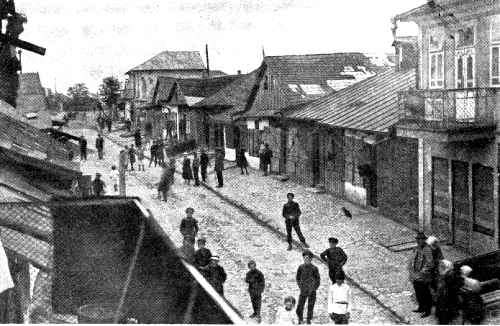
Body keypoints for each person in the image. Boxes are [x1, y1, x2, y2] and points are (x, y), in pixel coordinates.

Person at [408, 232, 434, 318]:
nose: (419, 241)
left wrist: (422, 273)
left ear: (424, 240)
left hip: (424, 276)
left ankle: (427, 310)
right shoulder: (416, 248)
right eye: (418, 239)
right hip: (416, 274)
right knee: (418, 293)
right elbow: (412, 260)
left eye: (421, 239)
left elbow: (430, 264)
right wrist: (411, 271)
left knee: (425, 293)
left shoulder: (427, 249)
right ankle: (421, 307)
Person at [296, 250, 320, 324]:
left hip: (312, 291)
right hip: (303, 290)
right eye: (305, 258)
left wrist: (314, 288)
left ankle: (309, 320)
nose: (307, 260)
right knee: (300, 306)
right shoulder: (300, 267)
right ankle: (300, 319)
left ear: (311, 259)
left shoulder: (314, 268)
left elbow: (318, 280)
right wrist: (301, 286)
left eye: (308, 258)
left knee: (310, 307)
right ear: (303, 259)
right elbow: (297, 278)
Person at [435, 260, 462, 325]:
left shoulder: (449, 275)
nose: (440, 268)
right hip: (444, 296)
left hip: (446, 296)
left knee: (444, 310)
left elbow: (449, 286)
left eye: (442, 267)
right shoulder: (447, 274)